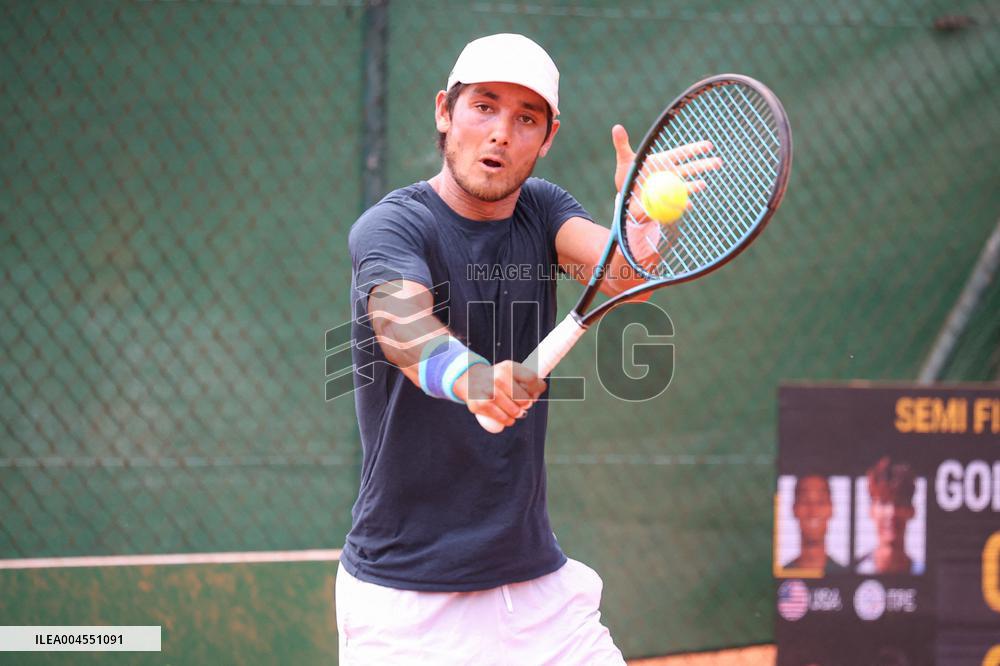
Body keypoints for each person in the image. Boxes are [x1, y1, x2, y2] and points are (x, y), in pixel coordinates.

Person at [337, 33, 718, 663]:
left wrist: (642, 220)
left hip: (537, 593)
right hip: (407, 601)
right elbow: (401, 325)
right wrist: (472, 378)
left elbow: (623, 280)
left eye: (526, 119)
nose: (501, 133)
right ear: (444, 111)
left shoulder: (542, 210)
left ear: (548, 138)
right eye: (484, 107)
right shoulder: (394, 224)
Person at [856, 457, 922, 575]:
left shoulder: (923, 573)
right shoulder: (855, 570)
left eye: (899, 503)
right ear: (871, 511)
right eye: (883, 502)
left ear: (912, 510)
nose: (891, 513)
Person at [782, 475, 847, 575]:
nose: (813, 511)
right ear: (794, 509)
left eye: (821, 502)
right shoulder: (781, 574)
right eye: (805, 501)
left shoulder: (844, 576)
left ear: (831, 509)